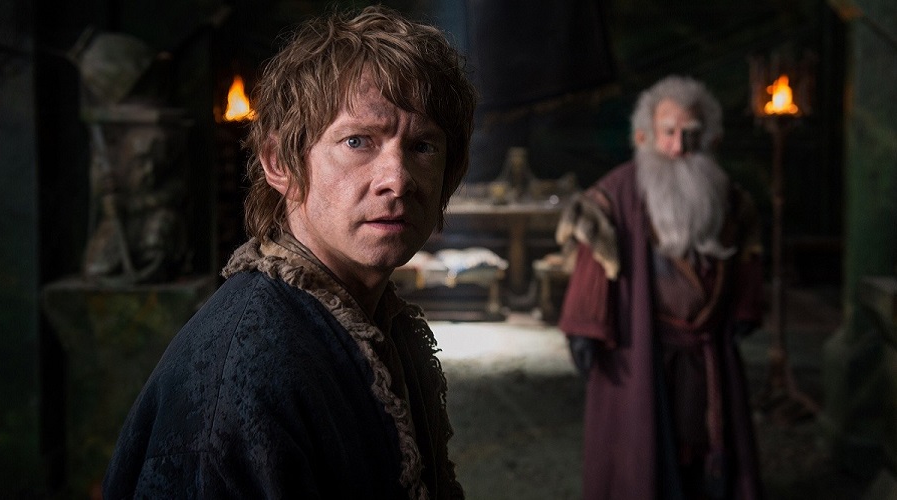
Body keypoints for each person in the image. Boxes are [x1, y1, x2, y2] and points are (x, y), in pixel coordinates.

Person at [103, 6, 476, 499]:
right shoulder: (248, 372)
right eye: (358, 141)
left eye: (423, 146)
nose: (397, 179)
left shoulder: (371, 323)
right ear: (280, 162)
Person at [556, 75, 765, 500]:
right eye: (668, 133)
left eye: (691, 134)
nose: (679, 146)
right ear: (645, 136)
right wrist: (584, 329)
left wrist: (744, 309)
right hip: (639, 347)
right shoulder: (615, 194)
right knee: (641, 451)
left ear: (709, 136)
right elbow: (593, 263)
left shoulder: (726, 195)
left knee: (702, 446)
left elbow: (745, 257)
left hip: (705, 349)